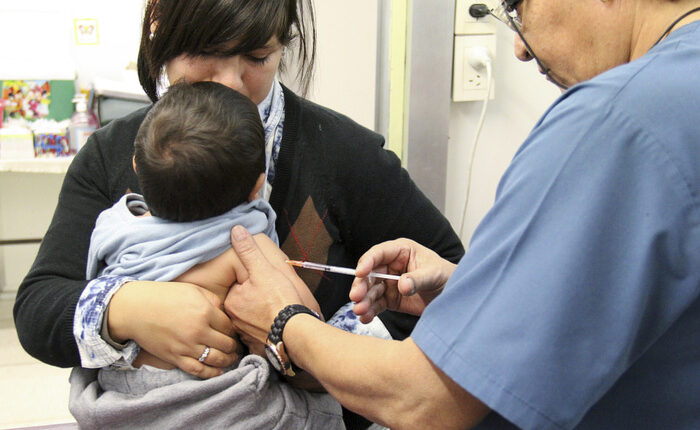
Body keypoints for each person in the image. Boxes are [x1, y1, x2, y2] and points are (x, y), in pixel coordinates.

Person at [223, 0, 700, 429]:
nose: (520, 49)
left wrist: (284, 323)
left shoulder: (614, 124)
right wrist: (471, 294)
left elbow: (427, 401)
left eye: (517, 6)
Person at [13, 1, 463, 428]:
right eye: (206, 50)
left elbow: (451, 281)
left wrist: (324, 351)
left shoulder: (345, 154)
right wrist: (127, 309)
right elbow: (38, 310)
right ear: (159, 26)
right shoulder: (109, 154)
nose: (231, 82)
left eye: (256, 56)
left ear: (283, 44)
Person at [69, 80, 343, 428]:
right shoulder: (247, 244)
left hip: (121, 401)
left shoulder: (115, 226)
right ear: (256, 188)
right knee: (322, 410)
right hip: (216, 401)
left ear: (137, 167)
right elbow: (305, 326)